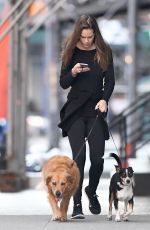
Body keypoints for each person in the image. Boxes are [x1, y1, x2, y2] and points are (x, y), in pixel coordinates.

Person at [58, 15, 115, 219]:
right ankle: (77, 204)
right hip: (75, 109)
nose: (87, 40)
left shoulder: (104, 50)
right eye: (83, 37)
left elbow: (110, 80)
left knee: (97, 159)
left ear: (95, 34)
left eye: (90, 36)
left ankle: (91, 191)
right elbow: (63, 83)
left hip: (95, 108)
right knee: (79, 158)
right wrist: (73, 72)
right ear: (78, 35)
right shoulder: (70, 50)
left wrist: (105, 99)